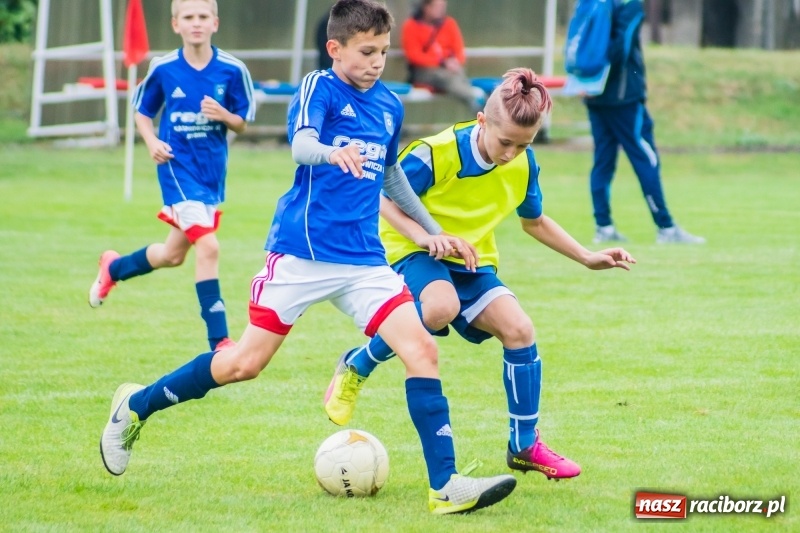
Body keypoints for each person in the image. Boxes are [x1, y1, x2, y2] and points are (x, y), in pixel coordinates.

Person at [99, 0, 517, 516]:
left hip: (364, 261)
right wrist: (330, 151)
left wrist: (435, 231)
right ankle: (135, 407)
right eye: (366, 52)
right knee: (243, 364)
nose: (376, 61)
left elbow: (391, 177)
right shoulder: (319, 88)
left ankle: (445, 486)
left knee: (422, 351)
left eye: (384, 51)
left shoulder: (389, 105)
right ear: (335, 49)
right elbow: (299, 144)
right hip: (302, 254)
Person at [324, 68, 638, 481]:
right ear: (482, 120)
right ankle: (358, 363)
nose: (511, 153)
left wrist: (586, 256)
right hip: (407, 248)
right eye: (505, 141)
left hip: (472, 260)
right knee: (439, 307)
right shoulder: (434, 153)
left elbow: (535, 221)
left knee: (520, 330)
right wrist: (426, 237)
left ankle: (524, 445)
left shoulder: (524, 163)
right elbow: (381, 197)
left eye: (523, 144)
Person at [88, 0, 256, 352]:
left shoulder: (232, 69)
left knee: (172, 255)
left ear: (215, 22)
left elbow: (242, 123)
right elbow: (142, 110)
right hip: (176, 169)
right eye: (189, 18)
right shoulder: (164, 68)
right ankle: (220, 339)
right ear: (175, 24)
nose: (196, 23)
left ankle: (114, 268)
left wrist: (224, 114)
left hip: (210, 174)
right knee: (208, 246)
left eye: (203, 17)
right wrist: (150, 141)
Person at [580, 0, 705, 244]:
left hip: (593, 93)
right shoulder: (630, 6)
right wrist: (605, 81)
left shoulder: (595, 3)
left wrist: (590, 81)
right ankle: (666, 227)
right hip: (623, 97)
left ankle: (603, 227)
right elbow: (622, 48)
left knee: (603, 161)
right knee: (645, 158)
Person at [401, 0, 484, 113]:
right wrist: (441, 62)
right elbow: (414, 56)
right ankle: (477, 104)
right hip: (423, 72)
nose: (441, 10)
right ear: (426, 7)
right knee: (447, 77)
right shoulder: (411, 25)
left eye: (442, 6)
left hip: (451, 70)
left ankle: (478, 105)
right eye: (437, 6)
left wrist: (454, 62)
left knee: (455, 74)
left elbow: (459, 51)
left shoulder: (449, 23)